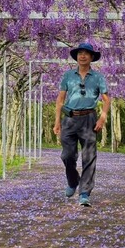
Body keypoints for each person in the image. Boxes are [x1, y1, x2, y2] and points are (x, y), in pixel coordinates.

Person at [53, 42, 110, 207]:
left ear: (92, 57)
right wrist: (57, 121)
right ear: (76, 57)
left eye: (86, 53)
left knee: (89, 157)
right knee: (67, 156)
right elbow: (60, 99)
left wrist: (102, 118)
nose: (82, 56)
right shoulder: (68, 75)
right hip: (69, 118)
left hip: (89, 119)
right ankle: (73, 180)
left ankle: (84, 193)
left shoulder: (98, 77)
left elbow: (106, 100)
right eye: (80, 53)